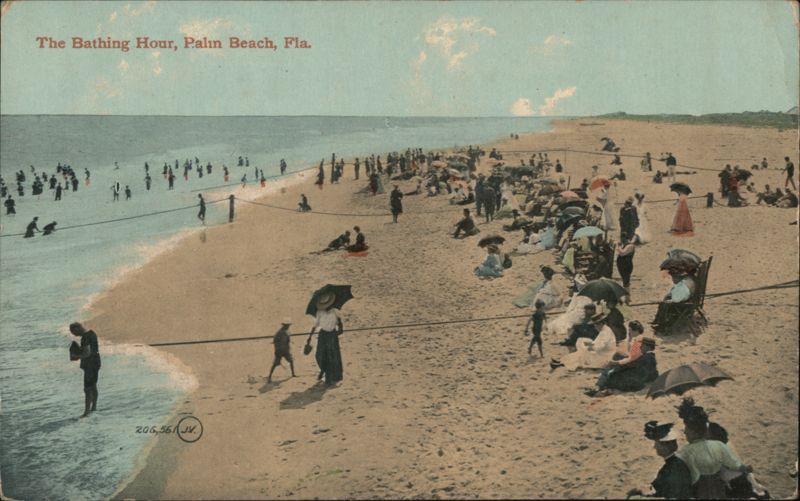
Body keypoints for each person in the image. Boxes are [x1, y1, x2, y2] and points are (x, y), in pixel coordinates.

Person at [675, 400, 752, 498]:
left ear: (693, 432)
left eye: (686, 429)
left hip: (702, 487)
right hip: (719, 486)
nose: (684, 432)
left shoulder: (686, 451)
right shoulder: (719, 444)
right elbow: (734, 464)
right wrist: (746, 468)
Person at [626, 421, 693, 499]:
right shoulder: (676, 463)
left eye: (657, 444)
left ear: (665, 447)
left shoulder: (671, 467)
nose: (654, 447)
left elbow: (671, 495)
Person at [551, 307, 616, 371]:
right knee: (582, 344)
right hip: (603, 353)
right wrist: (588, 345)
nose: (595, 327)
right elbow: (597, 344)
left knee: (582, 354)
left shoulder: (605, 332)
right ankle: (561, 361)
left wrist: (588, 346)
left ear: (601, 323)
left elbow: (598, 347)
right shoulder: (604, 330)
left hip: (605, 357)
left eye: (595, 325)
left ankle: (561, 363)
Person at [306, 293, 344, 385]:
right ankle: (323, 370)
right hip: (323, 334)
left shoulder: (335, 311)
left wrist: (338, 331)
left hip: (332, 335)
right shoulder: (320, 312)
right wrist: (310, 337)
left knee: (332, 356)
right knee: (319, 355)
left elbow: (340, 324)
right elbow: (315, 325)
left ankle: (329, 378)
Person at [70, 322, 101, 418]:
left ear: (78, 328)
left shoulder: (85, 337)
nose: (74, 335)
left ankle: (86, 412)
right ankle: (93, 408)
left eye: (73, 332)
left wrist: (77, 356)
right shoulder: (92, 333)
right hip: (96, 361)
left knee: (87, 389)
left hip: (90, 364)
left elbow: (87, 353)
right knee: (93, 386)